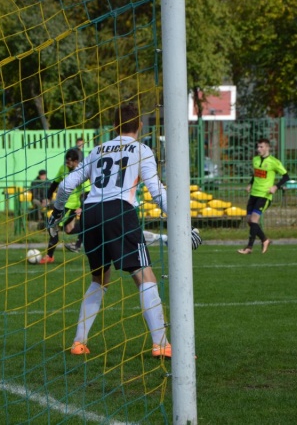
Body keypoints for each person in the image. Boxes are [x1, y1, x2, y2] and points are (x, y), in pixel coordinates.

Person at [49, 102, 202, 358]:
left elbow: (65, 185)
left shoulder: (97, 150)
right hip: (119, 211)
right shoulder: (141, 150)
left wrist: (57, 211)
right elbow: (157, 193)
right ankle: (161, 344)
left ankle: (78, 342)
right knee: (145, 276)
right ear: (140, 125)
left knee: (99, 279)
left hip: (91, 213)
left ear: (114, 126)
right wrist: (185, 226)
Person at [238, 138, 289, 255]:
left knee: (254, 220)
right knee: (249, 221)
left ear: (267, 147)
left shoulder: (274, 162)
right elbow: (255, 174)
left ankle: (249, 247)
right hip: (254, 194)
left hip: (264, 195)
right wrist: (250, 184)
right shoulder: (255, 159)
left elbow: (286, 176)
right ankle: (265, 240)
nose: (258, 149)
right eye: (258, 147)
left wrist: (276, 186)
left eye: (261, 147)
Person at [39, 149, 88, 263]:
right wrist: (48, 197)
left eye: (69, 162)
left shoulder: (81, 172)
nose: (67, 164)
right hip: (61, 204)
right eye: (66, 162)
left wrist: (81, 207)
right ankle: (90, 229)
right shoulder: (63, 169)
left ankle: (49, 256)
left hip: (71, 206)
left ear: (76, 161)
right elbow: (55, 183)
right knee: (68, 229)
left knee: (53, 226)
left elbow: (87, 191)